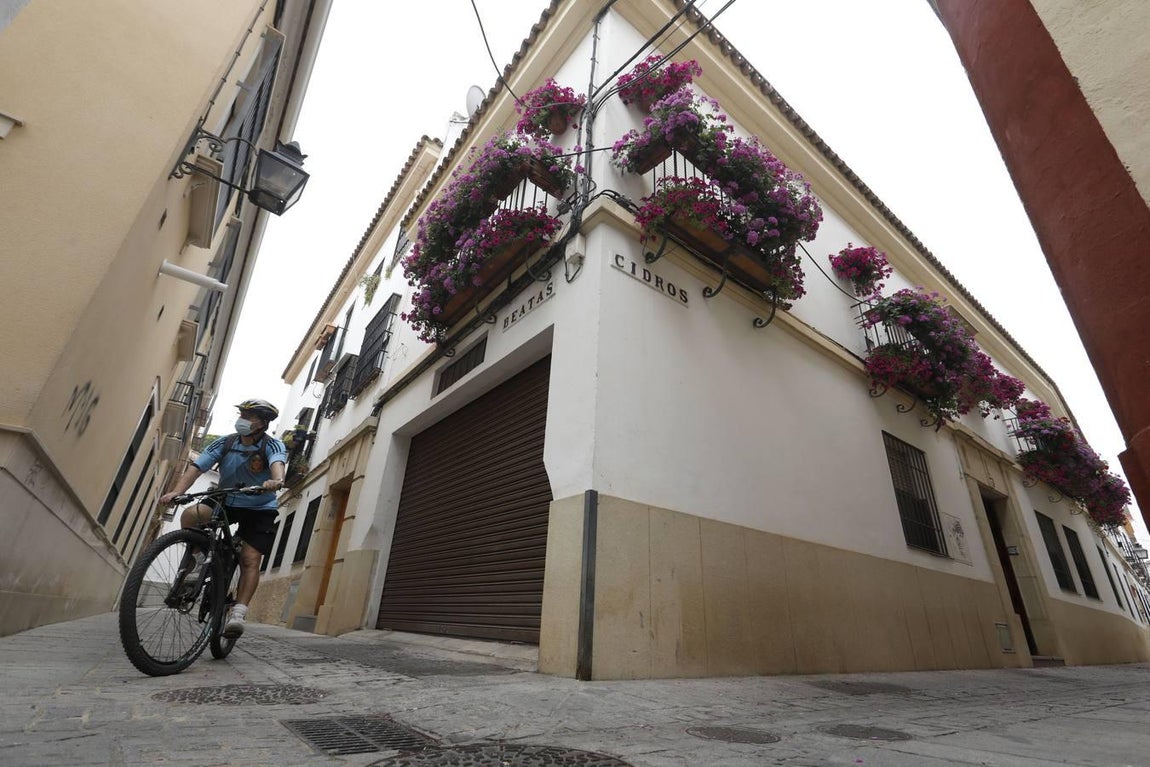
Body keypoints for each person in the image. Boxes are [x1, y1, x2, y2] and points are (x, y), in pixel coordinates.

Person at [159, 399, 287, 638]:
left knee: (250, 558)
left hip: (259, 507)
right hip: (225, 499)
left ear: (262, 423)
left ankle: (238, 613)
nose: (243, 420)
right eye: (242, 415)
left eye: (249, 417)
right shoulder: (226, 442)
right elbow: (197, 467)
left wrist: (276, 481)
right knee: (191, 515)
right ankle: (197, 561)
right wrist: (178, 491)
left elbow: (277, 464)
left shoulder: (272, 445)